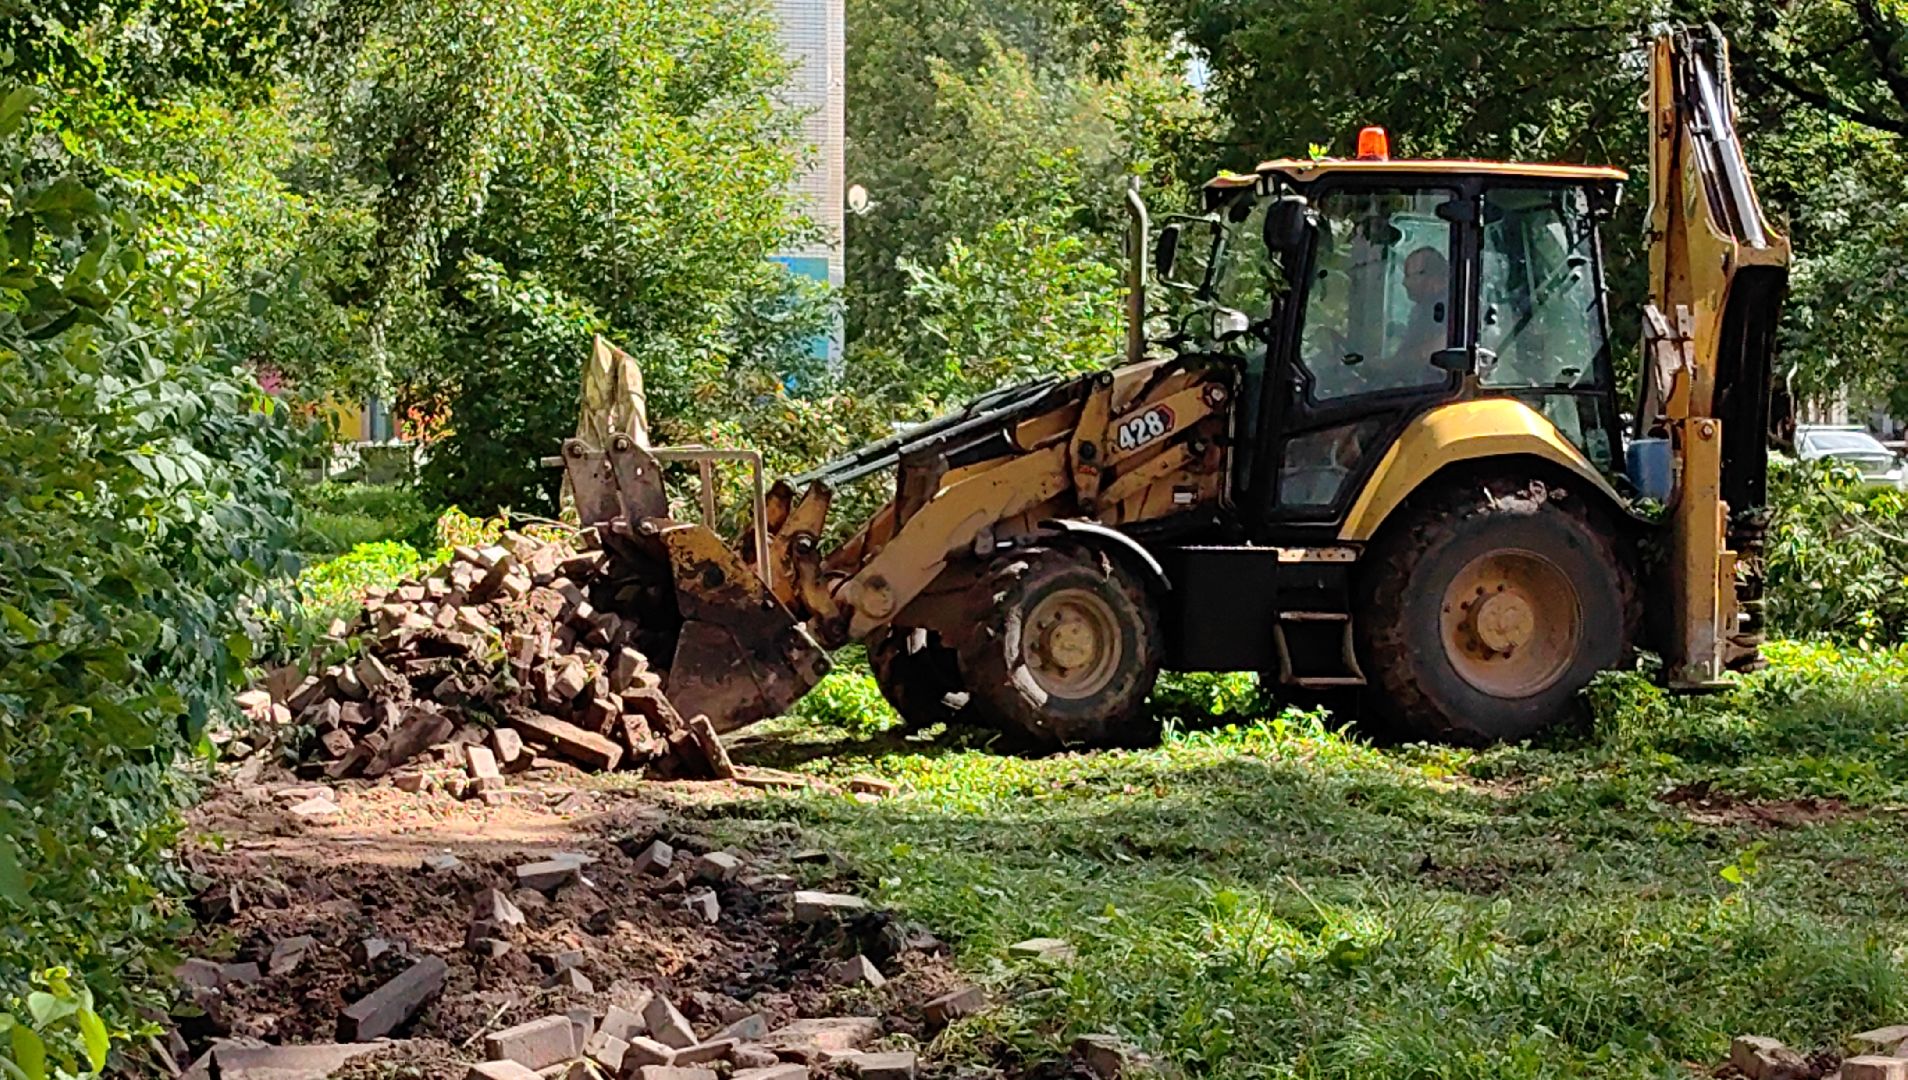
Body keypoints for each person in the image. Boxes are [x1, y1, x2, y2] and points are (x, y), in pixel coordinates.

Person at [1394, 245, 1450, 370]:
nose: (1404, 283)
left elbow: (1439, 347)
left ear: (1432, 277)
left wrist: (1390, 365)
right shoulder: (1422, 310)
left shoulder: (1452, 307)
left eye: (1409, 276)